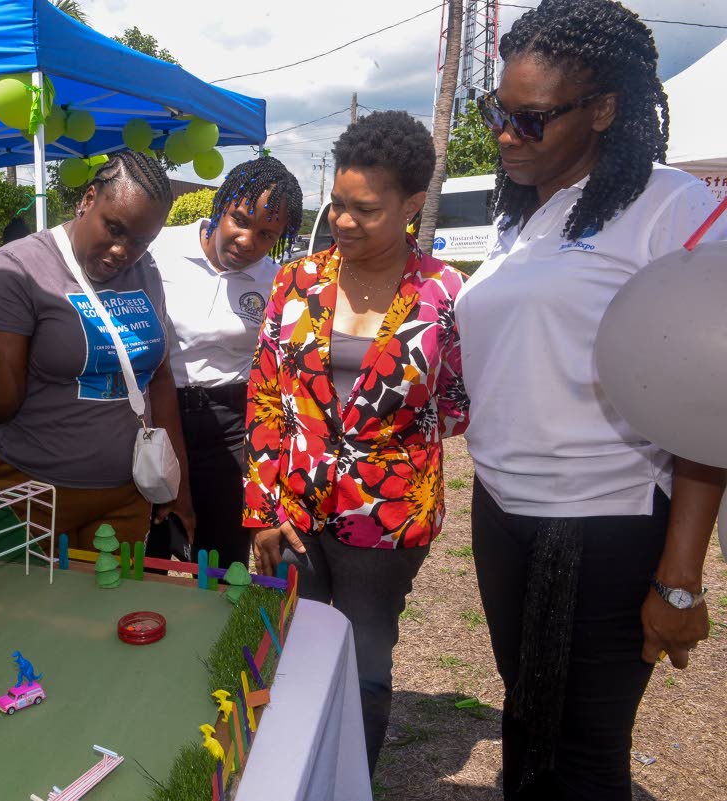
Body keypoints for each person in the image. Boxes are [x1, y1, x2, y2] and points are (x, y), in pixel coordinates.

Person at [455, 2, 727, 799]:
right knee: (527, 714)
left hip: (604, 518)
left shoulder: (674, 208)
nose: (505, 132)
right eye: (496, 109)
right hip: (503, 507)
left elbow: (712, 394)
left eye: (530, 119)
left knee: (584, 748)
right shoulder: (523, 215)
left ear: (605, 109)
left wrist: (680, 578)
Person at [244, 111, 469, 775]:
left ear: (412, 204)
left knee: (366, 658)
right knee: (290, 648)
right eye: (337, 204)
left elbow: (455, 404)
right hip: (293, 513)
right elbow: (264, 394)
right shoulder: (296, 281)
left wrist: (385, 448)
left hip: (388, 521)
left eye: (365, 210)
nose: (343, 221)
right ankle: (287, 775)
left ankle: (349, 780)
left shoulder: (444, 294)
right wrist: (261, 504)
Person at [0, 151, 194, 550]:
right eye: (114, 229)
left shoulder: (145, 271)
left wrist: (179, 484)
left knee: (111, 609)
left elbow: (161, 379)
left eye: (141, 240)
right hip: (30, 496)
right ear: (87, 199)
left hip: (127, 496)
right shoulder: (18, 266)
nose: (123, 251)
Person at [148, 157, 302, 568]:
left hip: (230, 428)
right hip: (154, 417)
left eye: (268, 234)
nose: (248, 241)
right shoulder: (158, 248)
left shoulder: (276, 281)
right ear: (222, 204)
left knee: (220, 560)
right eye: (240, 219)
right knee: (149, 551)